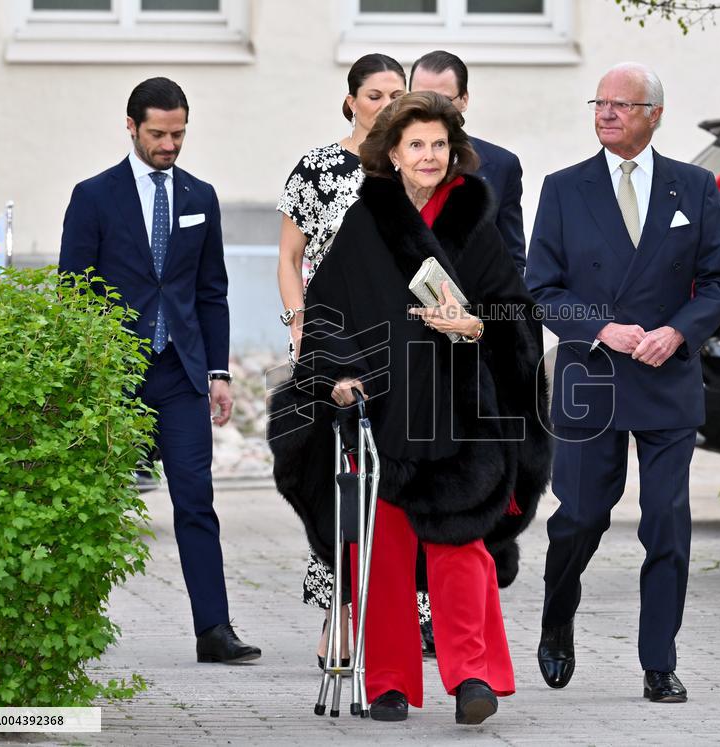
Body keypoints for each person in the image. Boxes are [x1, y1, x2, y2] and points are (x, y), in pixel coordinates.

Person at [269, 91, 550, 724]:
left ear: (455, 152)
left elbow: (518, 316)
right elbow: (328, 314)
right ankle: (389, 682)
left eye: (439, 144)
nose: (429, 155)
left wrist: (473, 324)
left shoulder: (474, 218)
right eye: (416, 144)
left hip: (464, 410)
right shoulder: (364, 220)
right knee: (386, 551)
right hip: (385, 407)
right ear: (391, 152)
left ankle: (472, 678)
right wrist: (339, 376)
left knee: (461, 546)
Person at [526, 62, 720, 702]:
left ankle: (658, 662)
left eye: (622, 104)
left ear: (655, 114)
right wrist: (599, 328)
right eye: (600, 103)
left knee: (667, 526)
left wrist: (677, 332)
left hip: (666, 377)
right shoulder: (564, 189)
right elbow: (540, 290)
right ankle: (558, 615)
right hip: (592, 379)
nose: (607, 113)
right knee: (581, 517)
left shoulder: (694, 188)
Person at [59, 77, 260, 664]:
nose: (170, 144)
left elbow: (212, 291)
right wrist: (84, 373)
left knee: (195, 498)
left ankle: (213, 630)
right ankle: (71, 630)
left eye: (178, 134)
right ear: (131, 127)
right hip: (113, 374)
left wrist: (219, 373)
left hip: (181, 374)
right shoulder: (94, 196)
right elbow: (74, 290)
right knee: (93, 504)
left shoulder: (200, 195)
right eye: (158, 134)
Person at [276, 52, 406, 672]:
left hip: (401, 345)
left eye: (396, 95)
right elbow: (289, 257)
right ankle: (341, 612)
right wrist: (300, 329)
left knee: (405, 477)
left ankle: (407, 614)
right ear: (351, 100)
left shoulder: (412, 165)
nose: (385, 105)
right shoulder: (320, 168)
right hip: (331, 344)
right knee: (341, 480)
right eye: (375, 95)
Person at [410, 50, 526, 275]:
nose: (430, 109)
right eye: (420, 98)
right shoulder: (385, 160)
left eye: (442, 100)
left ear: (464, 100)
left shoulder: (502, 166)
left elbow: (512, 261)